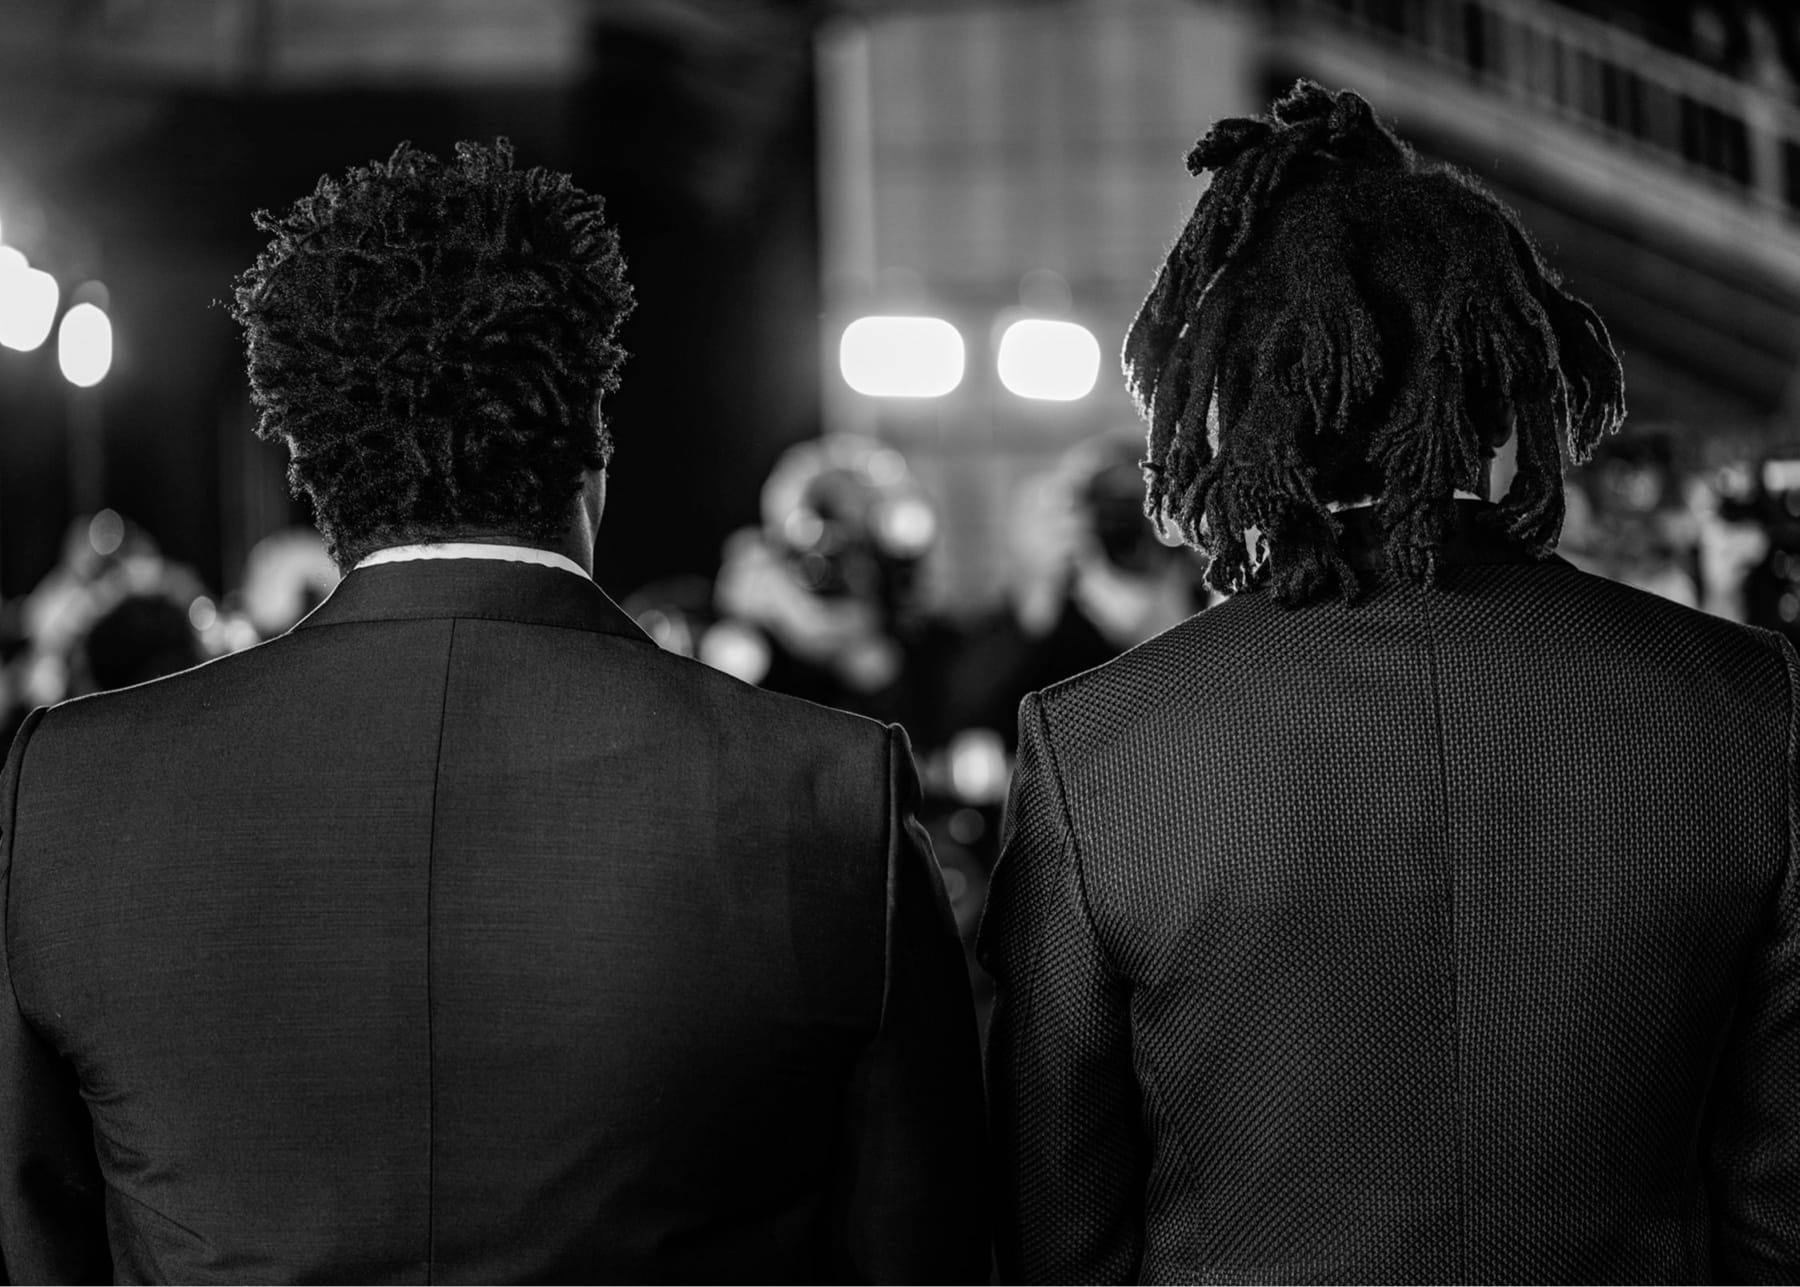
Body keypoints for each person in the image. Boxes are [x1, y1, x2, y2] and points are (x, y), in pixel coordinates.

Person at [0, 140, 987, 1282]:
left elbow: (37, 1248)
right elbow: (929, 1254)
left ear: (314, 467)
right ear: (594, 457)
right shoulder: (826, 794)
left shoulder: (74, 794)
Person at [980, 81, 1798, 1282]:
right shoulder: (1741, 707)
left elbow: (1056, 1231)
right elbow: (1782, 1210)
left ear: (1239, 398)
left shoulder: (1098, 748)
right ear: (1493, 375)